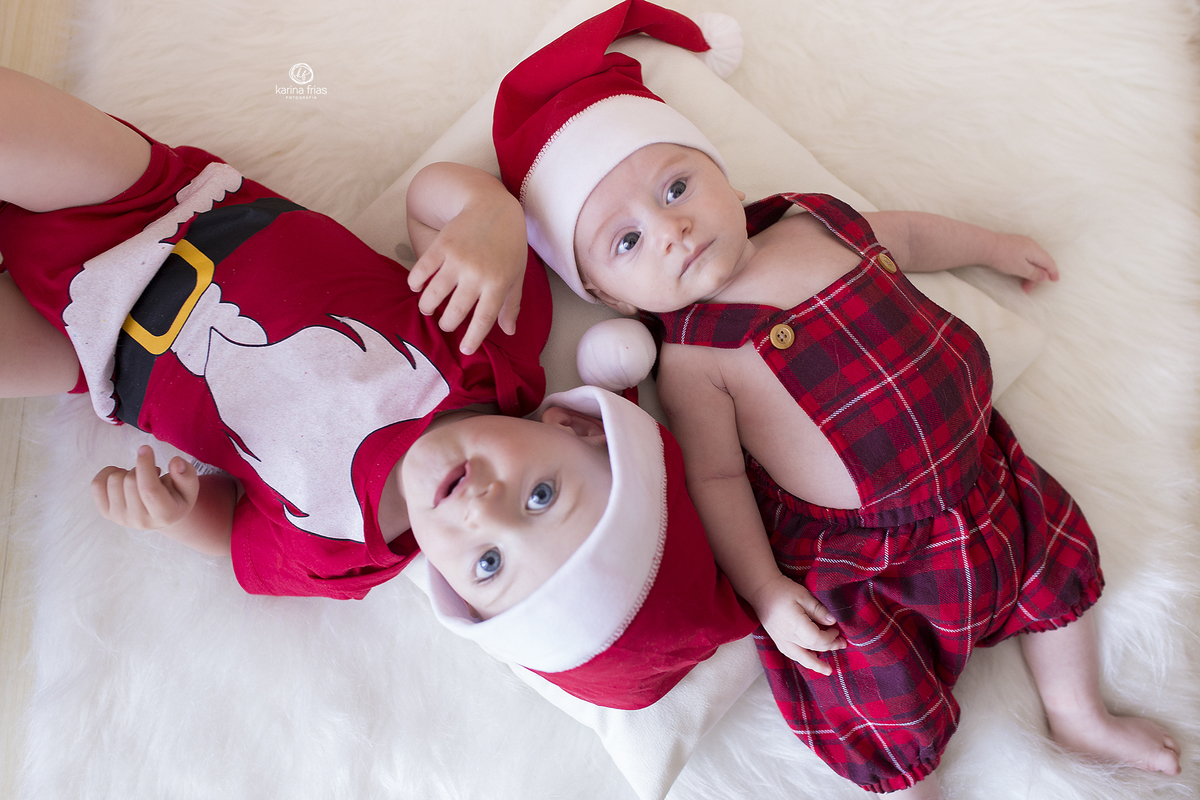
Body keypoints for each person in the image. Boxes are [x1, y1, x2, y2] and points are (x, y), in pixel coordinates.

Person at [489, 0, 1182, 794]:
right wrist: (765, 592)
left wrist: (992, 247)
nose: (672, 228)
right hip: (871, 559)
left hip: (985, 474)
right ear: (608, 297)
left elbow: (913, 240)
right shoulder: (692, 356)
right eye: (628, 241)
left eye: (677, 186)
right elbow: (716, 480)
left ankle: (1076, 712)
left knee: (1055, 562)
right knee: (866, 684)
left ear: (720, 170)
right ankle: (913, 782)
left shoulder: (813, 220)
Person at [0, 65, 755, 707]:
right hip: (161, 206)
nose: (484, 510)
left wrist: (171, 515)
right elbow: (433, 201)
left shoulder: (337, 557)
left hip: (85, 352)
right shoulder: (486, 348)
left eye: (488, 564)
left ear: (459, 596)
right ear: (576, 427)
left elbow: (234, 537)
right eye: (542, 497)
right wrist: (488, 217)